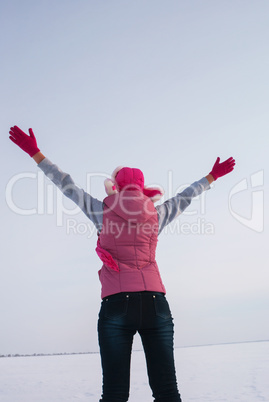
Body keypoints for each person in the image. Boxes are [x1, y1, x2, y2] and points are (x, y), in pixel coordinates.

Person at [9, 125, 235, 402]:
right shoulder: (157, 213)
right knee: (167, 391)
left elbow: (67, 185)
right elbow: (185, 197)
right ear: (143, 187)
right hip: (155, 302)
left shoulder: (101, 211)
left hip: (116, 303)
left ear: (114, 185)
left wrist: (36, 154)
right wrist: (212, 176)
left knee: (115, 393)